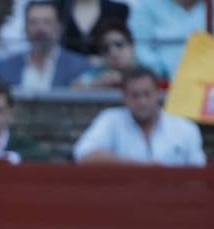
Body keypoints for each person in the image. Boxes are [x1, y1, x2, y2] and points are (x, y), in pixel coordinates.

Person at [73, 64, 205, 165]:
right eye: (135, 95)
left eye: (147, 94)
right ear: (124, 97)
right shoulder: (110, 120)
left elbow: (200, 174)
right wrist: (140, 167)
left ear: (158, 93)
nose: (142, 101)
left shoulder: (185, 128)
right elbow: (83, 155)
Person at [0, 0, 91, 89]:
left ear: (59, 27)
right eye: (33, 22)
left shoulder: (80, 67)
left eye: (47, 22)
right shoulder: (5, 68)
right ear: (25, 27)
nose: (40, 28)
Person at [73, 21, 135, 87]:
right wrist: (96, 84)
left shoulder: (142, 70)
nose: (113, 53)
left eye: (119, 44)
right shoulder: (99, 72)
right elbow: (76, 86)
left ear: (131, 45)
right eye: (106, 48)